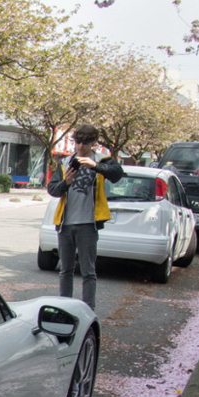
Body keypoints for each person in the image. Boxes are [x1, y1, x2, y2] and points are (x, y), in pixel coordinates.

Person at [46, 124, 124, 310]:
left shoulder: (102, 160)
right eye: (78, 141)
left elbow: (117, 174)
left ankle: (88, 309)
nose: (81, 146)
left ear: (94, 143)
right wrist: (66, 182)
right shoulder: (65, 163)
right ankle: (64, 307)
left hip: (88, 224)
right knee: (66, 270)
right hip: (65, 224)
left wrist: (96, 166)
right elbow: (53, 190)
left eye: (86, 142)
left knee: (88, 271)